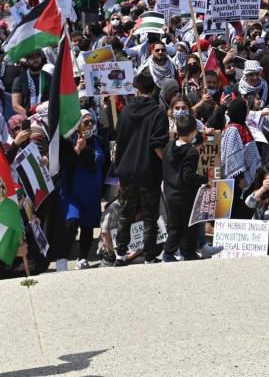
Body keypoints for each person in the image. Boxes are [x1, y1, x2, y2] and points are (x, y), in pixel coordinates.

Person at [113, 73, 169, 266]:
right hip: (149, 170)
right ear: (152, 90)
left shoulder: (126, 111)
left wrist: (118, 171)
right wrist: (168, 164)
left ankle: (120, 254)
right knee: (150, 214)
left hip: (126, 170)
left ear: (136, 90)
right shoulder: (158, 112)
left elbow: (119, 143)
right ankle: (150, 255)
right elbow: (157, 144)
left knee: (126, 212)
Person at [59, 110, 107, 269]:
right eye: (85, 123)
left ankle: (82, 257)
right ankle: (62, 258)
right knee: (72, 221)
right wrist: (78, 150)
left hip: (92, 195)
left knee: (88, 227)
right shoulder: (68, 142)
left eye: (91, 122)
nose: (89, 126)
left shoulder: (99, 141)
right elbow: (64, 165)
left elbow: (99, 164)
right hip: (72, 193)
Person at [162, 115, 208, 262]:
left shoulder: (169, 146)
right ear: (193, 133)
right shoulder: (191, 152)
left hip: (170, 193)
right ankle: (188, 253)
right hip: (185, 195)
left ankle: (168, 254)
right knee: (190, 226)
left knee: (174, 226)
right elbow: (188, 176)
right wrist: (205, 180)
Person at [222, 97, 262, 219]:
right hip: (236, 181)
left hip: (242, 179)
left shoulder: (242, 127)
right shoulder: (233, 129)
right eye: (245, 109)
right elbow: (232, 157)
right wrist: (240, 178)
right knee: (234, 212)